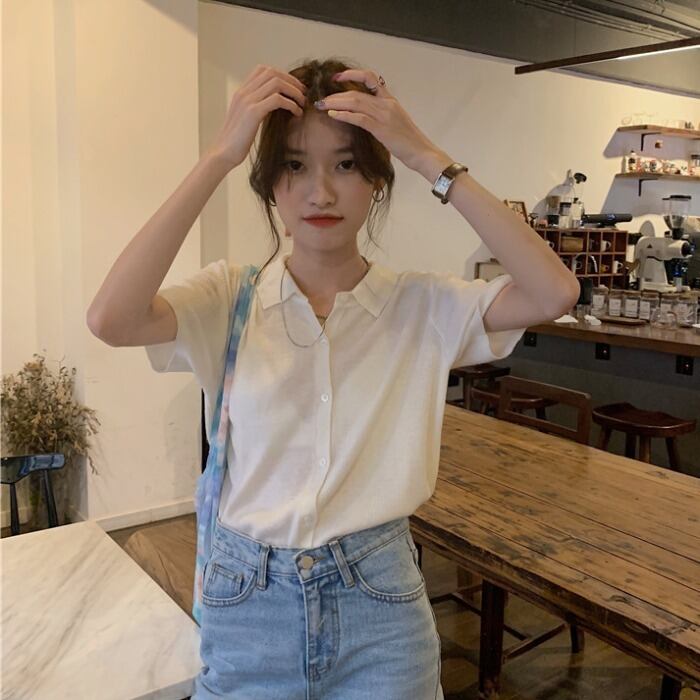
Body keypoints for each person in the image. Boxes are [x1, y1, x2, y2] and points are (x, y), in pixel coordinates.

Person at [87, 57, 579, 700]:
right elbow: (111, 318)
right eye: (294, 165)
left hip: (381, 611)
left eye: (346, 164)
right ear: (270, 184)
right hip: (249, 606)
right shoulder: (228, 299)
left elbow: (554, 292)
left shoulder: (421, 306)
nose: (320, 192)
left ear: (376, 180)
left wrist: (426, 156)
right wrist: (219, 156)